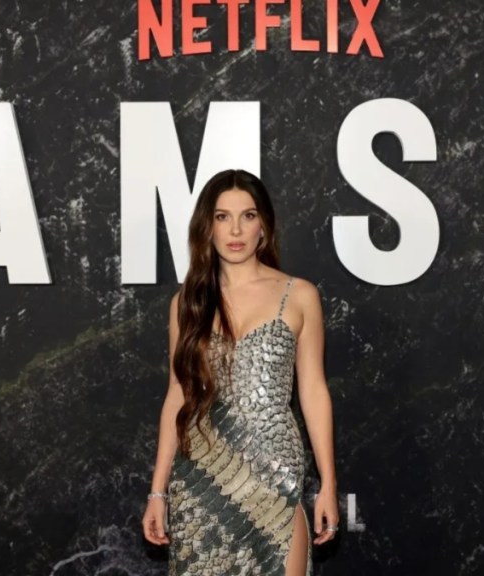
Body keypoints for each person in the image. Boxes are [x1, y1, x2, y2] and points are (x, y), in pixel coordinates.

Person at [142, 169, 339, 575]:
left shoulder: (299, 295)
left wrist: (328, 484)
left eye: (248, 216)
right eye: (222, 216)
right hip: (201, 480)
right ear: (206, 228)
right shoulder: (187, 304)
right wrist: (158, 491)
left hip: (275, 476)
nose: (235, 229)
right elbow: (176, 395)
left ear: (263, 226)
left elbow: (314, 392)